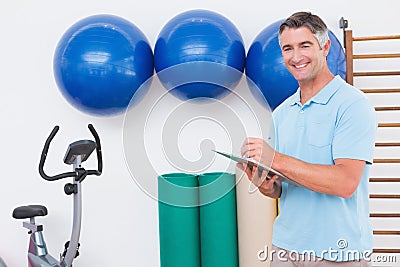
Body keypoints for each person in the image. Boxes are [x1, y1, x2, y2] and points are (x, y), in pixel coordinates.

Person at [239, 12, 377, 266]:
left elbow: (345, 183)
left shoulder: (353, 105)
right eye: (287, 48)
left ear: (325, 47)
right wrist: (266, 184)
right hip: (285, 248)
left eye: (305, 45)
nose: (296, 57)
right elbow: (282, 186)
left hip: (338, 252)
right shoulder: (281, 113)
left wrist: (276, 159)